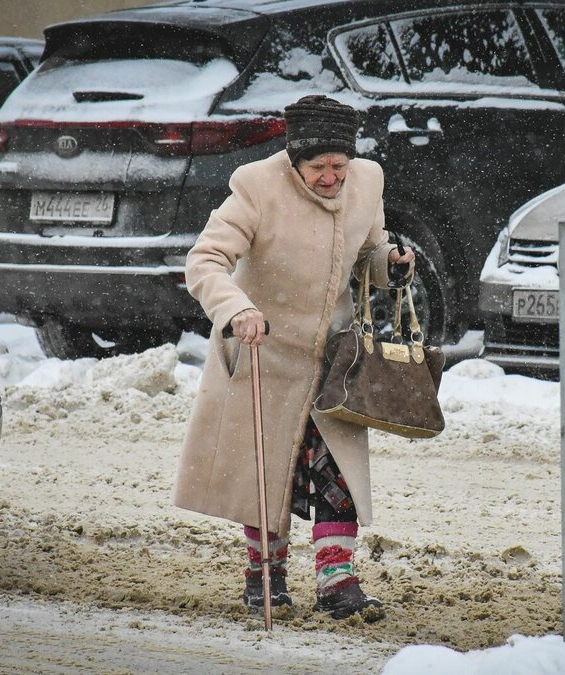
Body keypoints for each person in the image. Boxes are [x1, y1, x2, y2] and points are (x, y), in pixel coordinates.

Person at [174, 95, 415, 620]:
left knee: (337, 474)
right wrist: (237, 309)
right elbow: (205, 260)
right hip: (266, 351)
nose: (331, 178)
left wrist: (390, 264)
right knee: (268, 472)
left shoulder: (367, 181)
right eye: (318, 168)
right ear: (294, 159)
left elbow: (366, 254)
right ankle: (266, 574)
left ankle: (337, 580)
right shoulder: (256, 186)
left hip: (334, 360)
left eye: (339, 167)